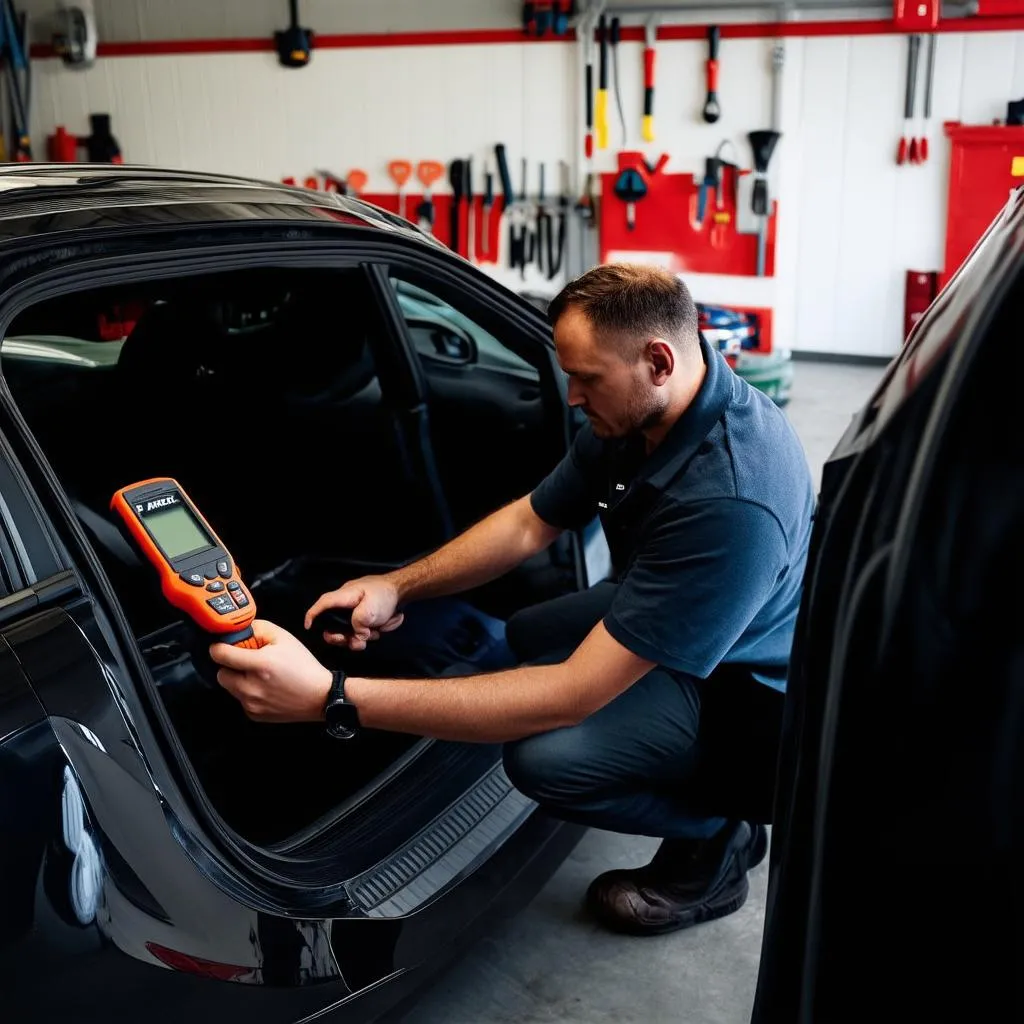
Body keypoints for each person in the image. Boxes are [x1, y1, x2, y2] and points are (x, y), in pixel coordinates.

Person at [209, 263, 815, 936]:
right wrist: (395, 583)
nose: (574, 397)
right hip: (683, 608)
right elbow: (530, 521)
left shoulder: (729, 497)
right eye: (569, 375)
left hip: (745, 690)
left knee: (545, 760)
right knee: (527, 632)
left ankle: (718, 837)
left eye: (587, 378)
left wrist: (332, 696)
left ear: (660, 360)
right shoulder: (643, 412)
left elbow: (569, 695)